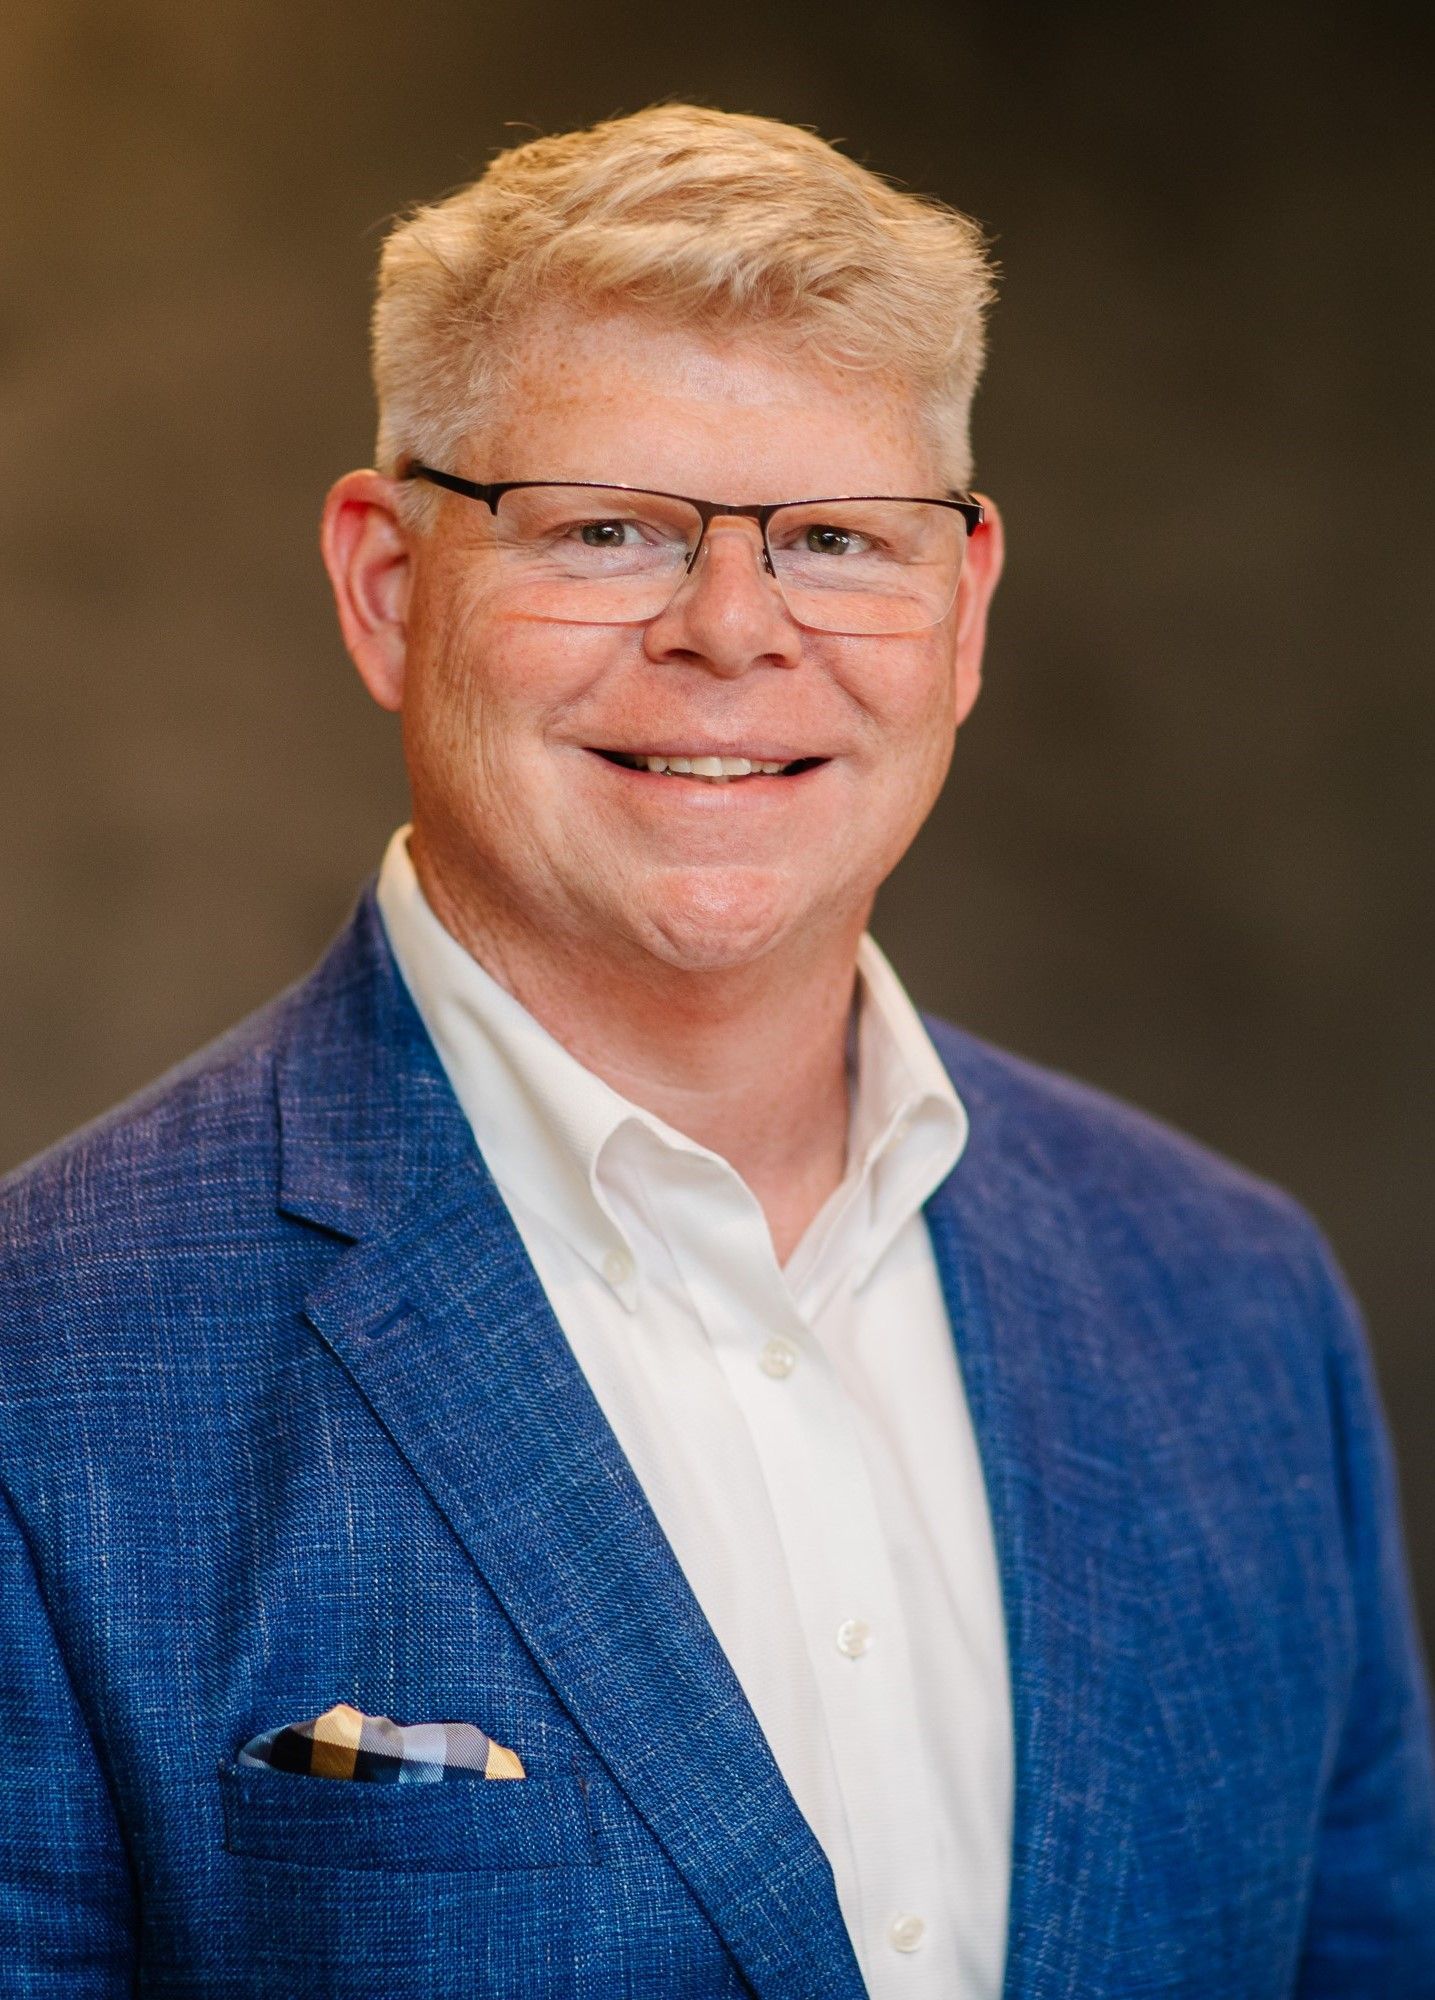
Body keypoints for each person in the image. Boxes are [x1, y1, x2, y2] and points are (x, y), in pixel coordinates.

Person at [0, 102, 1430, 2000]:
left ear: (965, 609)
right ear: (387, 584)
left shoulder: (1235, 1304)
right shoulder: (53, 1365)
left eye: (839, 537)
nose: (736, 632)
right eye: (606, 529)